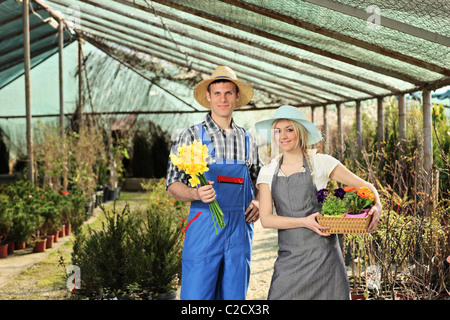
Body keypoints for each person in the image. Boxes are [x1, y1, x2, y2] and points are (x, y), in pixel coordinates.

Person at [255, 105, 382, 300]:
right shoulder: (268, 171)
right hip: (290, 258)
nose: (283, 136)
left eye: (289, 129)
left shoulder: (321, 162)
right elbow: (266, 219)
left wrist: (377, 205)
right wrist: (304, 222)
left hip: (325, 257)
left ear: (300, 132)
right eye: (278, 131)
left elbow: (367, 187)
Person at [166, 66, 263, 300]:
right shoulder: (190, 135)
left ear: (237, 97)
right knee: (197, 295)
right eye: (217, 93)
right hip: (204, 224)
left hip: (239, 228)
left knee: (234, 293)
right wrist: (196, 193)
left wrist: (259, 201)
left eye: (228, 93)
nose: (223, 98)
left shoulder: (248, 139)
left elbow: (261, 181)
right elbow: (172, 185)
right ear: (208, 96)